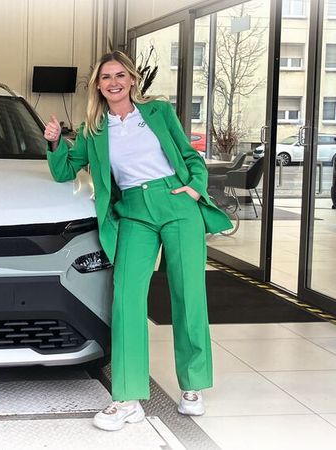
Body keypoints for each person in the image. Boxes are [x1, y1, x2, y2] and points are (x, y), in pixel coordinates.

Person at [43, 50, 231, 432]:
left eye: (120, 76)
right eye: (105, 77)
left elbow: (189, 158)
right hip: (133, 212)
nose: (113, 82)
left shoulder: (158, 113)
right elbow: (63, 171)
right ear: (98, 85)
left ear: (131, 80)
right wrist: (54, 142)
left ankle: (193, 387)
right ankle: (127, 399)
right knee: (127, 299)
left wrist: (194, 189)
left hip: (177, 204)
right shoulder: (93, 130)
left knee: (188, 295)